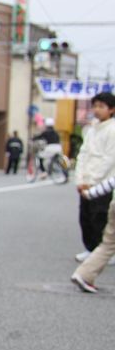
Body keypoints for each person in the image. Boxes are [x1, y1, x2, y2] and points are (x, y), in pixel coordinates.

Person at [74, 93, 115, 262]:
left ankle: (104, 251)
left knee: (100, 217)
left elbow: (110, 158)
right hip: (86, 180)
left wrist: (93, 181)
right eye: (95, 106)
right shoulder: (91, 129)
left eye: (101, 106)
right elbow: (82, 154)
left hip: (102, 182)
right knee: (85, 215)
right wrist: (80, 179)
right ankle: (90, 248)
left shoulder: (112, 129)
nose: (97, 110)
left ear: (111, 110)